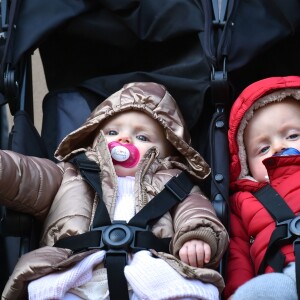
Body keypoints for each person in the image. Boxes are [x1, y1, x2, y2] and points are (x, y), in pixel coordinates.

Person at [1, 82, 228, 300]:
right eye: (111, 132)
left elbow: (197, 212)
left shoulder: (176, 183)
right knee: (48, 290)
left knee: (186, 291)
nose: (123, 138)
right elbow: (26, 174)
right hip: (75, 268)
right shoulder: (70, 174)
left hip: (152, 269)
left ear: (170, 153)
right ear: (92, 139)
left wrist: (197, 237)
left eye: (142, 137)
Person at [224, 76, 300, 300]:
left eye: (293, 135)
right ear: (246, 162)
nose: (278, 147)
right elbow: (238, 258)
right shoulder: (243, 201)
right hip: (280, 278)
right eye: (263, 148)